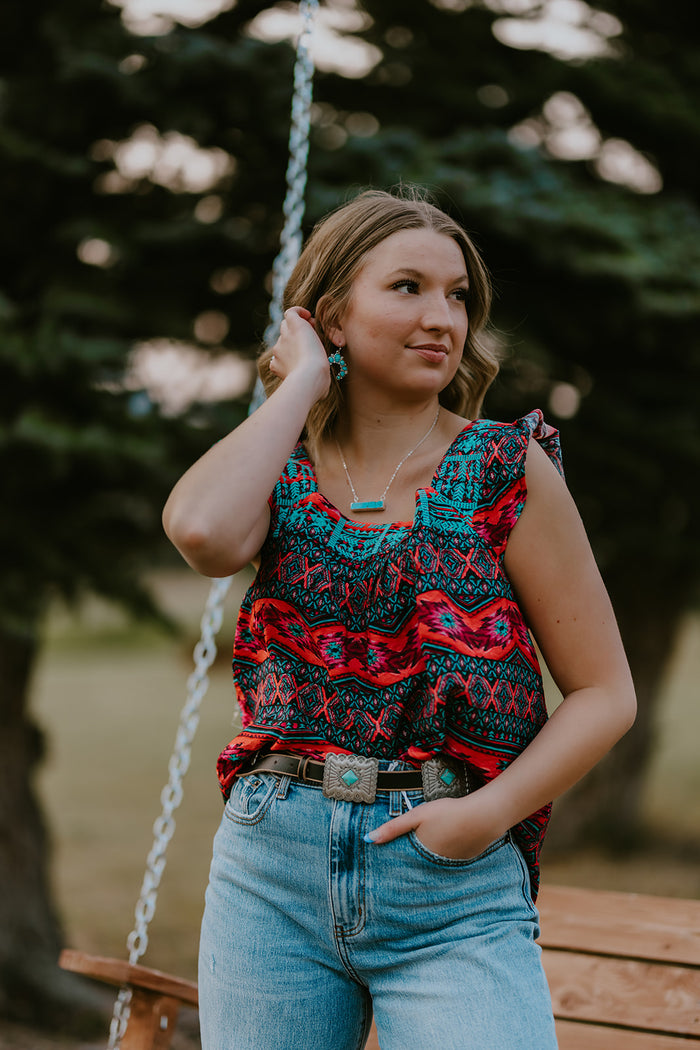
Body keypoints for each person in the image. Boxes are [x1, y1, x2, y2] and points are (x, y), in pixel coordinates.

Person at [162, 187, 636, 1050]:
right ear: (331, 316)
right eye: (408, 287)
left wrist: (483, 818)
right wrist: (302, 379)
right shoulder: (282, 466)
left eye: (458, 296)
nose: (442, 318)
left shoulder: (504, 468)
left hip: (449, 875)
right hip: (272, 869)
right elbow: (201, 533)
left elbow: (606, 693)